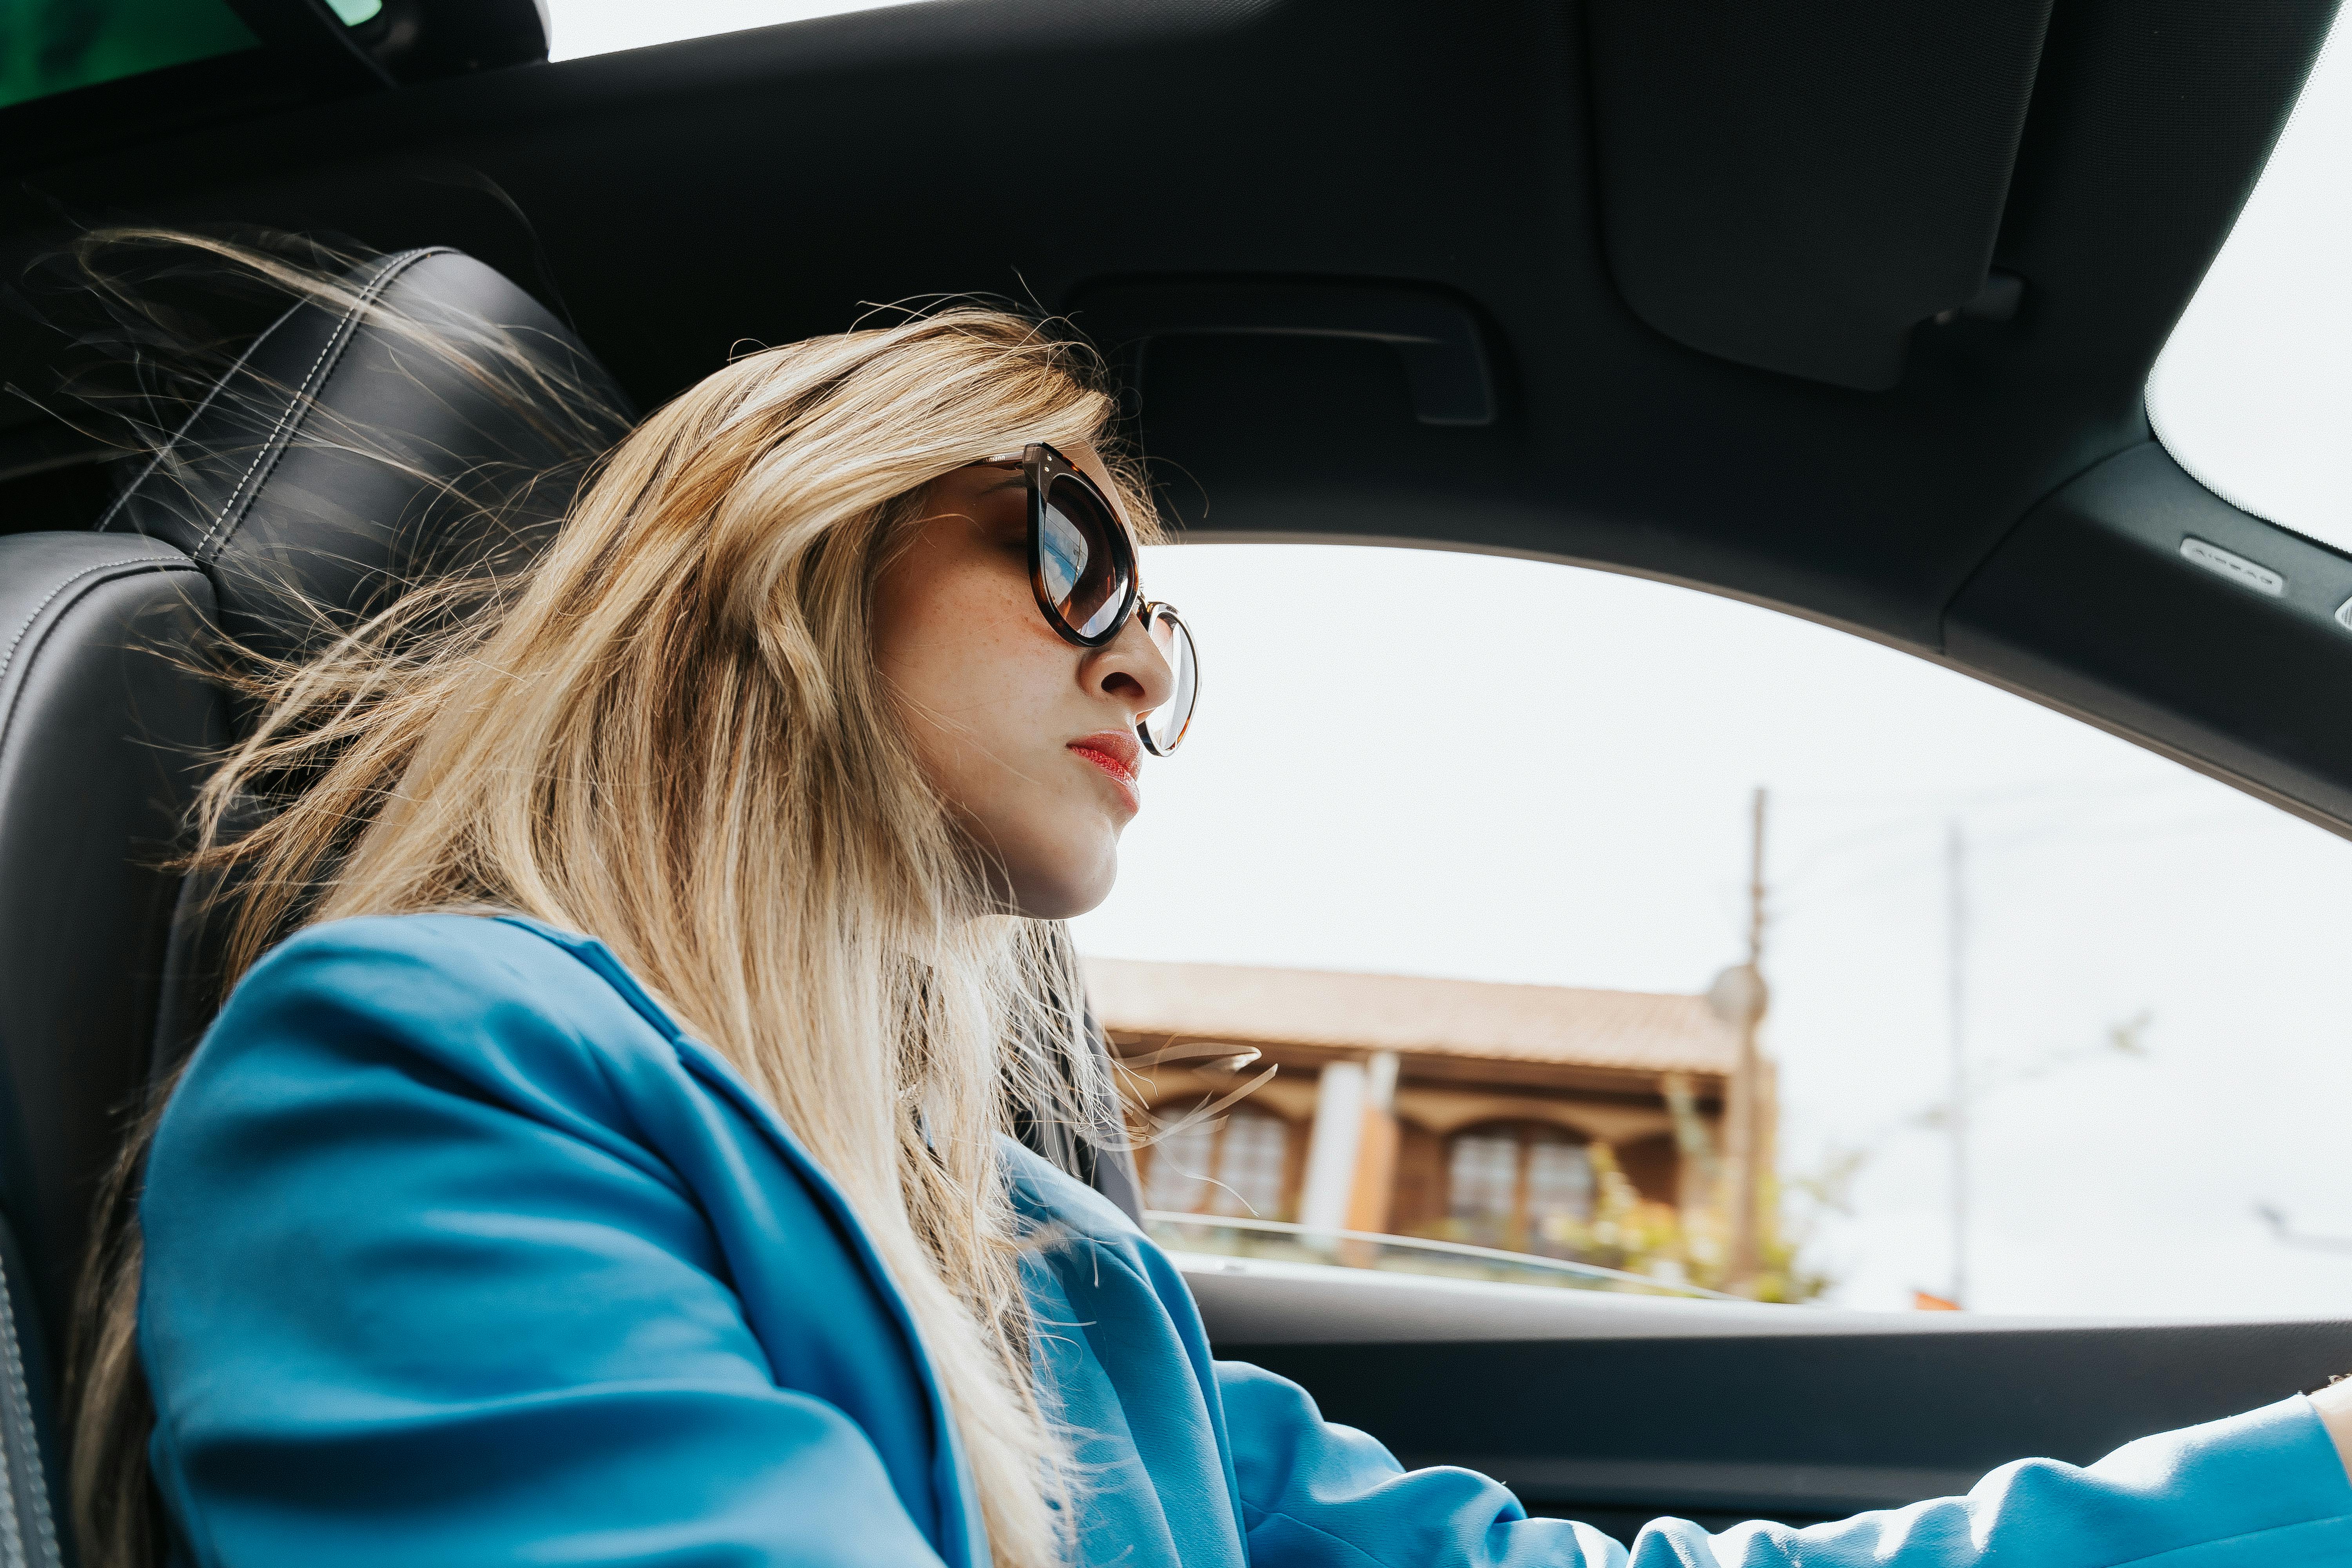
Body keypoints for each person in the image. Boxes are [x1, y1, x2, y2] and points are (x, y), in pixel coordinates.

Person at [67, 254, 2352, 1568]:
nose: (1146, 657)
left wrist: (2320, 1473)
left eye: (1168, 619)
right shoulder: (421, 1070)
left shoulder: (1064, 1284)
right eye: (1072, 550)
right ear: (772, 558)